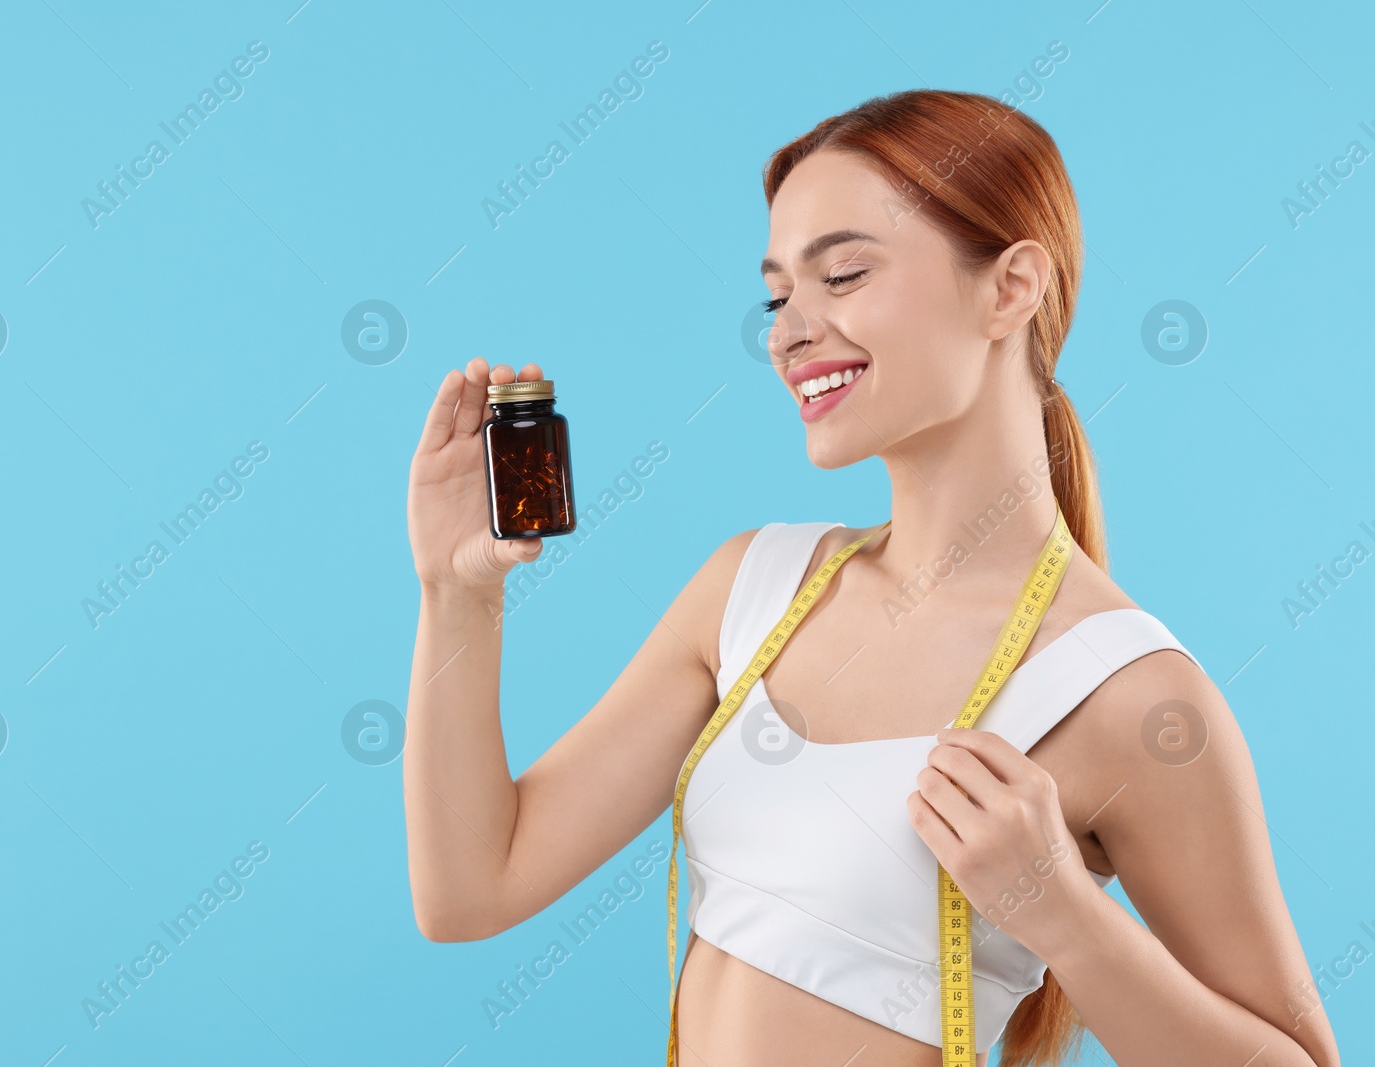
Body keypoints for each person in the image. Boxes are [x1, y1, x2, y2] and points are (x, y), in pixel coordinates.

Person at [402, 90, 1341, 1067]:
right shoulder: (748, 591)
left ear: (1010, 288)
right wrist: (455, 591)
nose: (788, 333)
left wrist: (1065, 919)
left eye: (842, 273)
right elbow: (472, 888)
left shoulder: (1123, 690)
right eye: (777, 296)